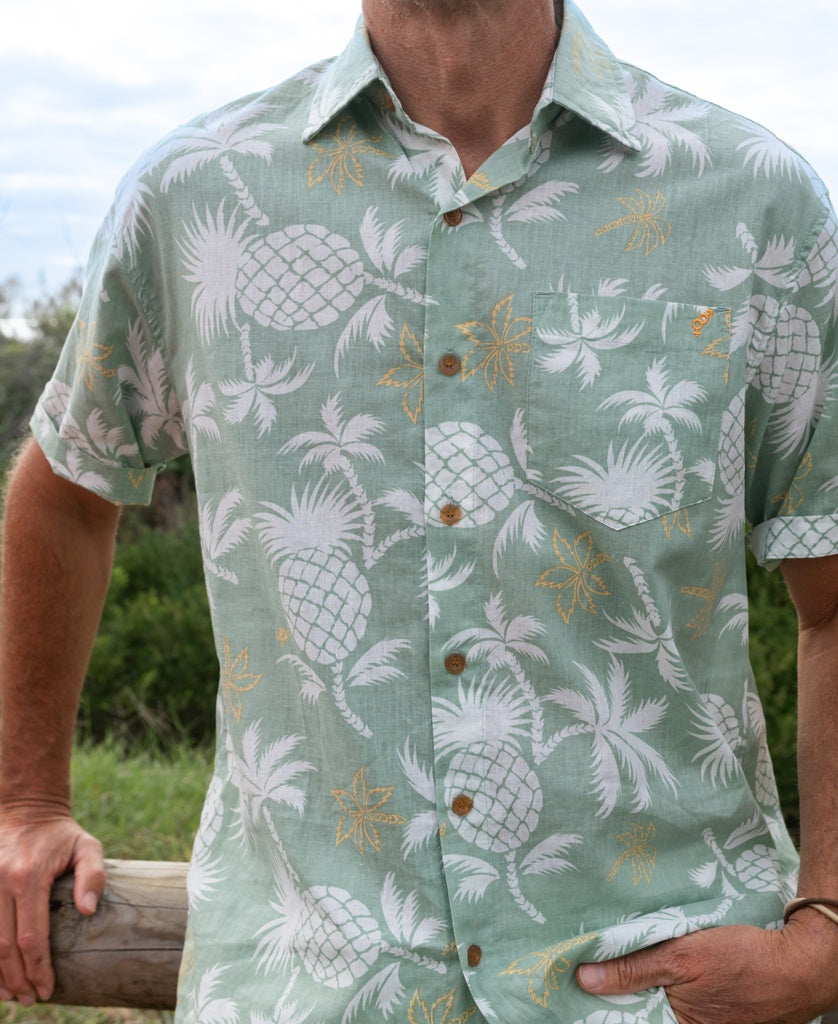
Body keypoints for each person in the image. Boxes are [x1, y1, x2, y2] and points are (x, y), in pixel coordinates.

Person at [1, 0, 838, 1021]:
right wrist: (26, 801)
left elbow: (833, 588)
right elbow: (65, 491)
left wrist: (826, 926)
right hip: (307, 986)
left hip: (661, 984)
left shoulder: (755, 202)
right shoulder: (193, 197)